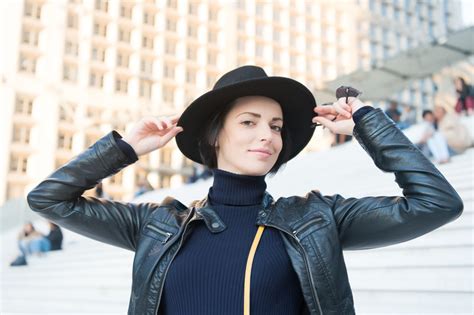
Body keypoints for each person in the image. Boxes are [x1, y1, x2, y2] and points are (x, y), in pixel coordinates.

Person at [27, 65, 463, 314]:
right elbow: (48, 199)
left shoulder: (315, 219)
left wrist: (369, 124)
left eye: (275, 126)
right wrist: (124, 148)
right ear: (216, 136)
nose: (267, 136)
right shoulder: (158, 225)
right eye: (249, 122)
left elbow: (435, 204)